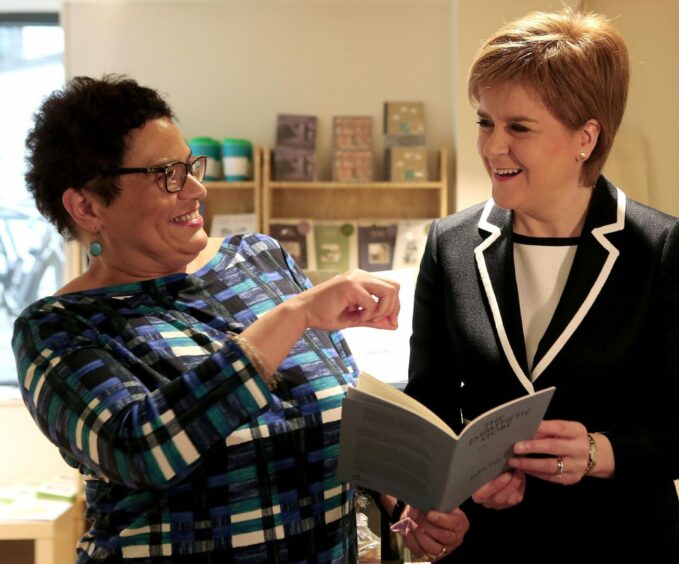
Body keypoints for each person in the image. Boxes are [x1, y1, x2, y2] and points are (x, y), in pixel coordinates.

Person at [14, 74, 408, 563]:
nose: (196, 189)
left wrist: (404, 501)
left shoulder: (259, 260)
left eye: (190, 166)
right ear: (88, 206)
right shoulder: (59, 328)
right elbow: (142, 449)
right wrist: (296, 315)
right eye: (166, 175)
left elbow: (340, 407)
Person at [379, 8, 679, 563]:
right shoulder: (450, 244)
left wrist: (597, 452)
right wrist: (427, 499)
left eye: (518, 128)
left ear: (586, 136)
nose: (491, 147)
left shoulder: (660, 246)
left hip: (622, 544)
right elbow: (430, 405)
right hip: (486, 545)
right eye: (486, 121)